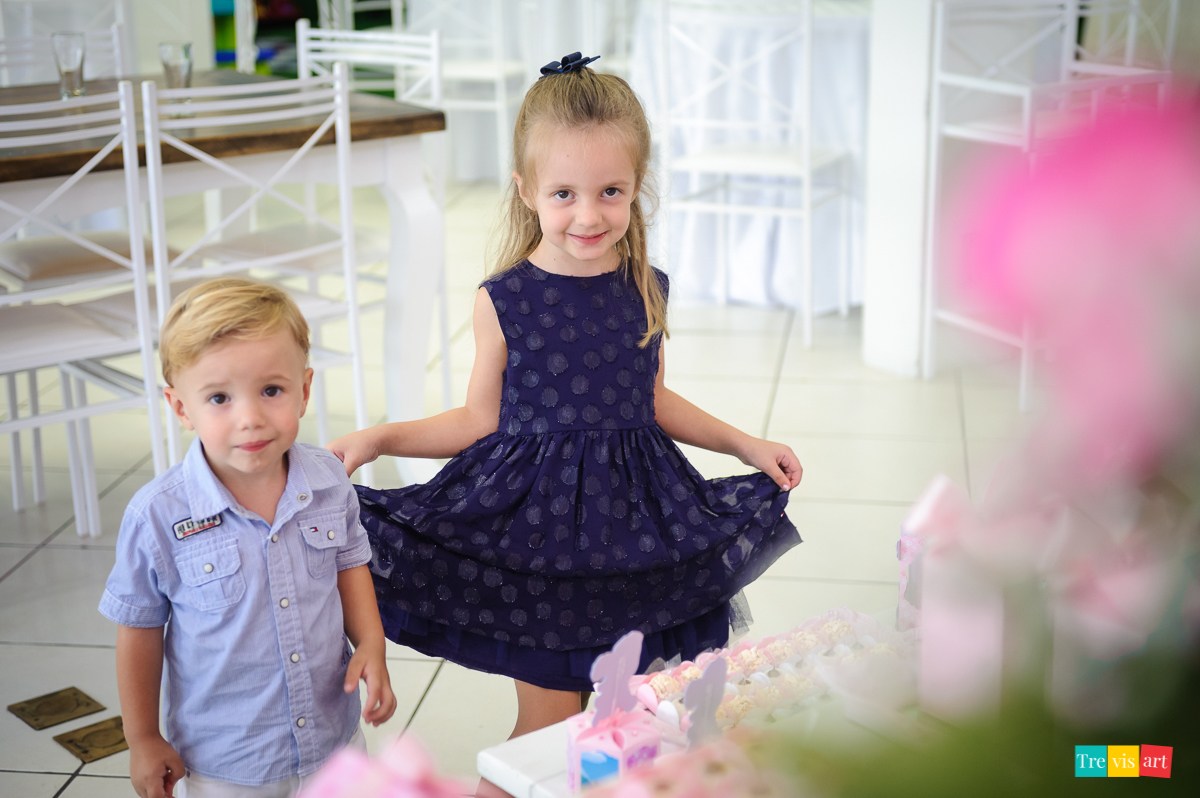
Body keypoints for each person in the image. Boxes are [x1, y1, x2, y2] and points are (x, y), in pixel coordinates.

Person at [328, 54, 801, 745]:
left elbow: (655, 401)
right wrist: (379, 438)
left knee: (637, 719)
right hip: (538, 548)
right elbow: (474, 421)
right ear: (526, 191)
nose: (588, 215)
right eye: (564, 194)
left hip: (639, 533)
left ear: (638, 187)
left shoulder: (646, 286)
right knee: (548, 725)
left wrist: (746, 445)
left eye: (611, 192)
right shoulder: (505, 300)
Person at [99, 279, 396, 798]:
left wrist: (371, 642)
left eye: (271, 390)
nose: (250, 417)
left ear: (304, 390)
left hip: (333, 740)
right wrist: (143, 737)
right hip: (229, 761)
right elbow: (139, 630)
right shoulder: (158, 515)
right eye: (219, 397)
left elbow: (350, 564)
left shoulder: (328, 480)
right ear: (181, 407)